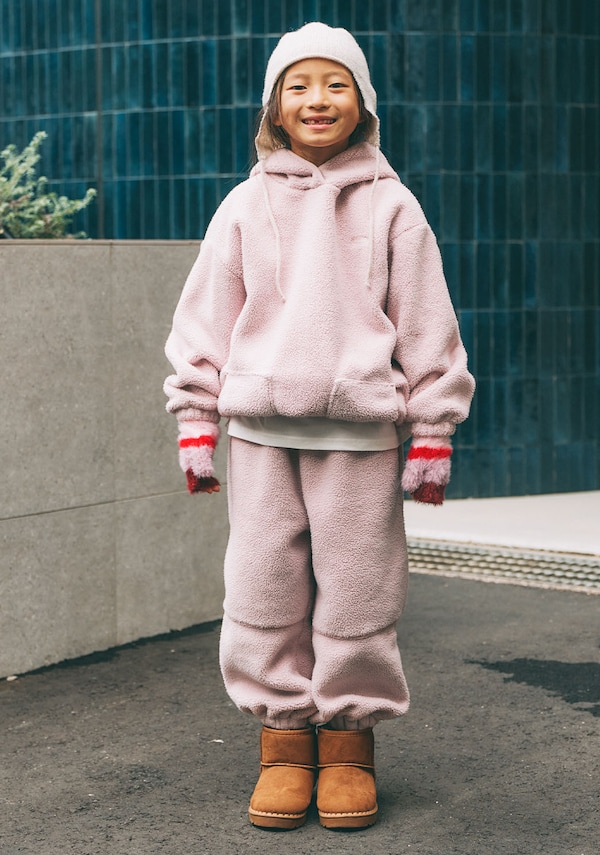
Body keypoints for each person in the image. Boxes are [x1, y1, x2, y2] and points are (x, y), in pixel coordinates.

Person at [164, 22, 475, 831]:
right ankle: (282, 741)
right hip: (262, 435)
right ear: (274, 107)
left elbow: (429, 323)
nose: (317, 99)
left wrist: (432, 431)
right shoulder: (244, 205)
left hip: (361, 438)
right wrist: (196, 418)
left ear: (363, 104)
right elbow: (204, 319)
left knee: (360, 586)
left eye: (336, 84)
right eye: (298, 85)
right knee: (262, 582)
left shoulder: (393, 205)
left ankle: (347, 743)